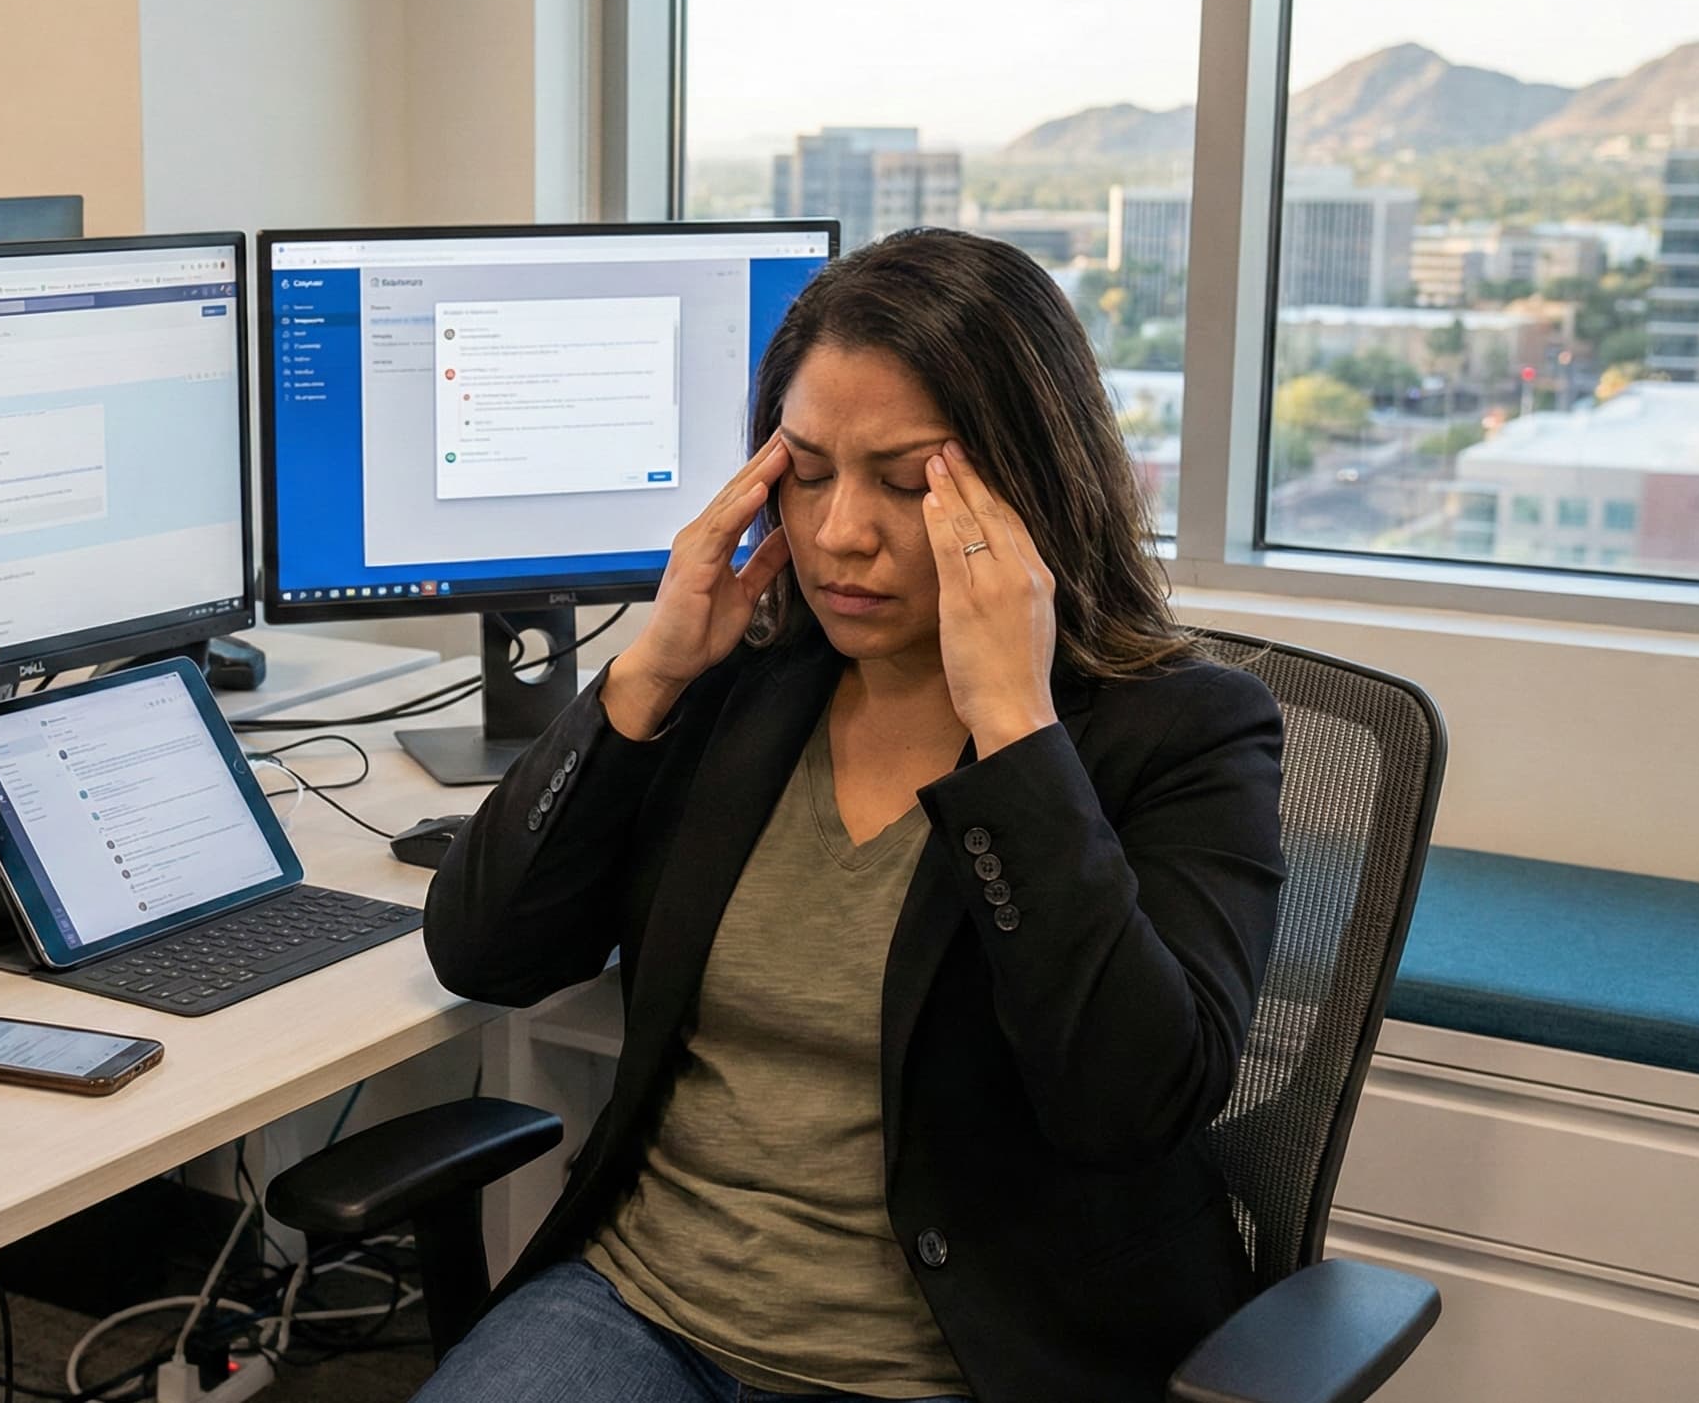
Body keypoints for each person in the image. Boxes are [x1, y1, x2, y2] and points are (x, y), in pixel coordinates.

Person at [414, 229, 1286, 1403]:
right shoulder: (750, 680)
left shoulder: (1181, 731)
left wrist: (1013, 733)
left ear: (1020, 488)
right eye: (809, 473)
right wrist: (647, 675)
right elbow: (486, 953)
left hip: (959, 1357)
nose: (837, 535)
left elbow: (1128, 1105)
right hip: (642, 1309)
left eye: (903, 479)